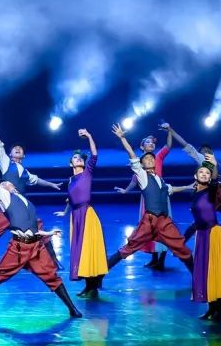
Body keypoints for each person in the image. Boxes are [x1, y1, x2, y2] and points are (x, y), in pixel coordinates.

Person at [0, 155, 82, 320]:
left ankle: (72, 308)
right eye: (2, 185)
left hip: (36, 247)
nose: (4, 184)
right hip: (18, 249)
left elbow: (34, 227)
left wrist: (49, 234)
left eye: (6, 183)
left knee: (52, 277)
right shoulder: (5, 197)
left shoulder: (23, 199)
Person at [0, 111, 63, 270]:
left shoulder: (26, 173)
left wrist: (52, 185)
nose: (18, 149)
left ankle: (55, 261)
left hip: (22, 210)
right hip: (6, 209)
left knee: (40, 231)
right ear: (10, 154)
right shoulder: (6, 163)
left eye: (20, 149)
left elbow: (37, 180)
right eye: (15, 148)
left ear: (23, 155)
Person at [106, 125, 194, 273]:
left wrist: (188, 186)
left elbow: (170, 189)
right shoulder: (142, 175)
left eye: (152, 158)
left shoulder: (160, 179)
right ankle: (101, 271)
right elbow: (132, 154)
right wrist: (122, 138)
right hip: (150, 219)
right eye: (147, 158)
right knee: (129, 248)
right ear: (141, 163)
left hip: (164, 220)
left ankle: (198, 277)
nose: (151, 159)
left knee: (182, 248)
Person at [164, 122, 221, 245]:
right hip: (212, 193)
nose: (205, 152)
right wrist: (171, 130)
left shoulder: (218, 164)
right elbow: (184, 143)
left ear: (211, 151)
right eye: (202, 151)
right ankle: (181, 244)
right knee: (201, 220)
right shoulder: (202, 160)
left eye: (207, 150)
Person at [53, 130, 108, 298]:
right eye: (75, 158)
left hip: (87, 215)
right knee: (80, 251)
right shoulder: (70, 180)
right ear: (71, 163)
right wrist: (65, 212)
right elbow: (70, 199)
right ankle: (88, 286)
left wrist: (89, 136)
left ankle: (93, 287)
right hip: (75, 216)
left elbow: (94, 155)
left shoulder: (87, 173)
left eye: (80, 158)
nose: (79, 159)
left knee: (89, 250)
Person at [114, 131, 175, 269]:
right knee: (150, 228)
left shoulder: (158, 157)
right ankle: (154, 258)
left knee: (163, 227)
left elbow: (168, 145)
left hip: (161, 196)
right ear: (142, 147)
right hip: (147, 199)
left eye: (152, 142)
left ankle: (161, 260)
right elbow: (134, 180)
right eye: (147, 142)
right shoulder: (140, 163)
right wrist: (125, 190)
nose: (151, 144)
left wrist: (169, 131)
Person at [187, 155, 221, 321]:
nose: (204, 174)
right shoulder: (194, 194)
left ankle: (217, 310)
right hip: (202, 236)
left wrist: (214, 166)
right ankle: (211, 308)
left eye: (207, 173)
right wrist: (183, 239)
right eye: (201, 172)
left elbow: (215, 182)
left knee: (215, 272)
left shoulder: (211, 191)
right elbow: (196, 221)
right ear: (195, 176)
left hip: (214, 234)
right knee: (205, 273)